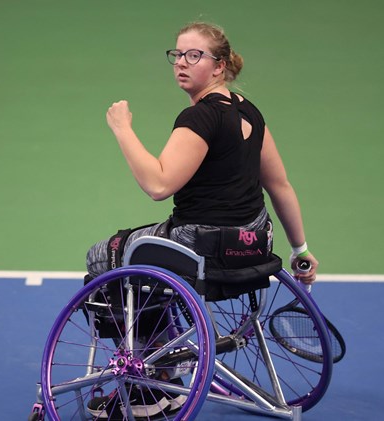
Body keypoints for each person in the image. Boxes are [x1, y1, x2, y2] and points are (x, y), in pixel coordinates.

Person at [84, 21, 319, 418]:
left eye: (195, 55)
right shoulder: (250, 113)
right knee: (146, 253)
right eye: (177, 54)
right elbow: (279, 185)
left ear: (219, 66)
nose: (181, 63)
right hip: (253, 248)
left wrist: (123, 129)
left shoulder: (200, 119)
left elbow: (158, 184)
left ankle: (152, 385)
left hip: (205, 249)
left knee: (104, 256)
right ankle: (164, 365)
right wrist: (300, 250)